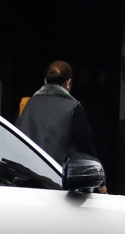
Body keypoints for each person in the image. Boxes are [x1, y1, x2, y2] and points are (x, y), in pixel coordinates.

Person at [17, 61, 103, 191]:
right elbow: (87, 148)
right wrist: (101, 184)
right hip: (59, 187)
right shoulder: (74, 108)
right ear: (68, 82)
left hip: (26, 184)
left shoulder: (27, 105)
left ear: (45, 81)